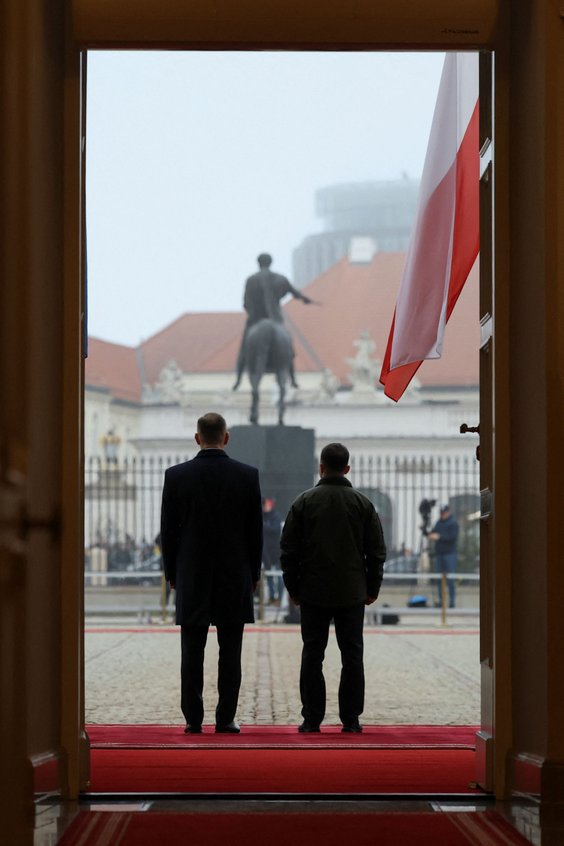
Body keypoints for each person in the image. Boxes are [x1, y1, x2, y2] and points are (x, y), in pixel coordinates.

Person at [160, 412, 263, 734]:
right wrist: (254, 573)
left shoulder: (176, 476)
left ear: (197, 438)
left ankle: (193, 718)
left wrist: (172, 573)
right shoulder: (247, 476)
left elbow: (168, 532)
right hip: (234, 574)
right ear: (226, 437)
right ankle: (225, 718)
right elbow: (254, 532)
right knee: (230, 653)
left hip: (192, 573)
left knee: (192, 651)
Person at [280, 442, 386, 734]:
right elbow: (376, 551)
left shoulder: (303, 502)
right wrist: (372, 587)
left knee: (313, 654)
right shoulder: (363, 504)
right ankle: (350, 719)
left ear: (321, 467)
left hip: (313, 591)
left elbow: (288, 550)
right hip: (352, 591)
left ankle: (311, 718)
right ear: (347, 468)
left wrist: (294, 588)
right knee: (352, 655)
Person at [233, 253, 312, 390]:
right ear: (271, 263)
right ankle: (292, 379)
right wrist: (305, 299)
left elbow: (245, 303)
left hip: (256, 320)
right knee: (288, 349)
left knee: (244, 349)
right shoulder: (280, 278)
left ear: (258, 263)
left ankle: (238, 379)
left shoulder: (251, 280)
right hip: (275, 320)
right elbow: (295, 293)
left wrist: (253, 312)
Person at [429, 504, 459, 608]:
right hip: (439, 554)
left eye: (444, 513)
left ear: (448, 512)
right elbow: (433, 533)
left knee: (450, 579)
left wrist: (439, 536)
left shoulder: (453, 523)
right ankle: (441, 601)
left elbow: (452, 537)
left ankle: (452, 601)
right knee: (439, 579)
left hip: (449, 554)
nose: (443, 515)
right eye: (441, 513)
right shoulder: (438, 522)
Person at [262, 498, 283, 603]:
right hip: (266, 553)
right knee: (268, 576)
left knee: (279, 576)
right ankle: (271, 597)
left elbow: (275, 530)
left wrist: (264, 526)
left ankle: (279, 598)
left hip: (276, 551)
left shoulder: (276, 517)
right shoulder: (263, 516)